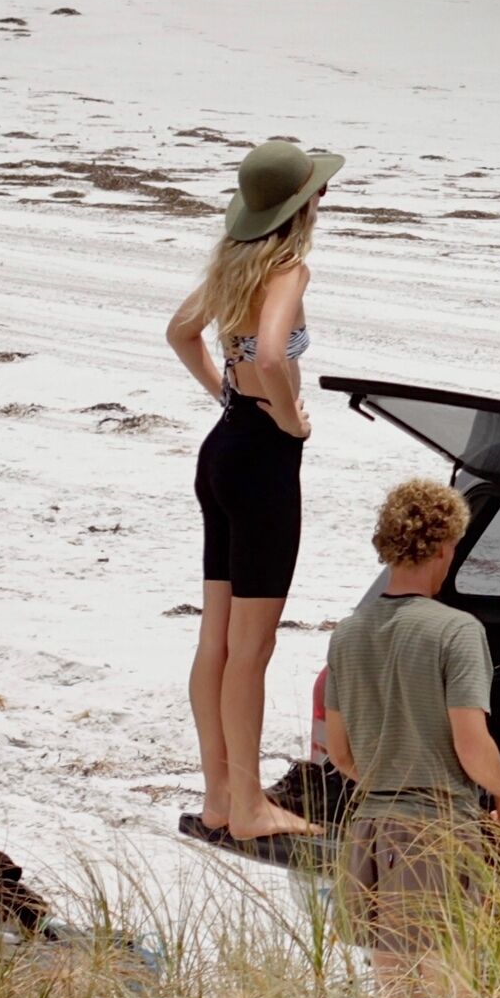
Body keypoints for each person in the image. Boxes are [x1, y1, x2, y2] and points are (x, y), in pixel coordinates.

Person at [163, 134, 343, 848]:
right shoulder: (288, 268)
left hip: (221, 451)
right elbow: (270, 354)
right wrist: (289, 417)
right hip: (263, 458)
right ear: (308, 203)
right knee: (253, 647)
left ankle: (218, 799)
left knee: (216, 639)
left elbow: (182, 333)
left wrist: (227, 397)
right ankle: (247, 809)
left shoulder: (232, 260)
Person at [323, 479, 500, 955]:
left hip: (370, 829)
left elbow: (340, 752)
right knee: (444, 994)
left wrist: (387, 776)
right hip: (438, 830)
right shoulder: (456, 631)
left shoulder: (347, 634)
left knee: (391, 995)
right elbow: (472, 745)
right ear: (443, 547)